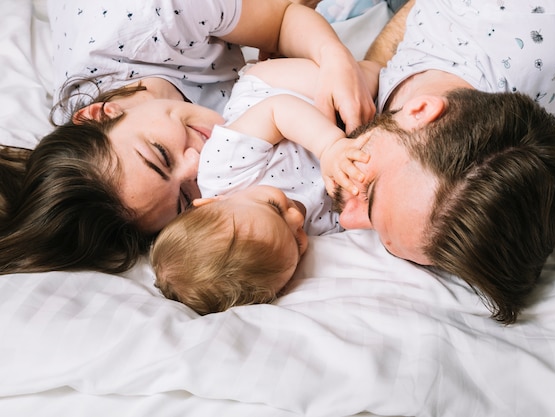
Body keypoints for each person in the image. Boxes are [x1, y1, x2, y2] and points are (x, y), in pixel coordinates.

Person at [0, 0, 376, 275]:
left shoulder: (155, 18)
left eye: (160, 155)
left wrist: (334, 58)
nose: (197, 162)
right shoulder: (108, 182)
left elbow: (282, 20)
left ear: (102, 112)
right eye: (183, 198)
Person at [332, 0, 555, 324]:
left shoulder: (512, 146)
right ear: (420, 111)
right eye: (370, 192)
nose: (346, 220)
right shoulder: (482, 15)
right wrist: (363, 68)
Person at [150, 58, 379, 314]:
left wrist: (329, 146)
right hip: (343, 131)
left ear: (212, 202)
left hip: (282, 90)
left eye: (273, 207)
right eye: (297, 242)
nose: (295, 217)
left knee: (368, 82)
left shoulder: (221, 171)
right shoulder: (297, 238)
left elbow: (277, 111)